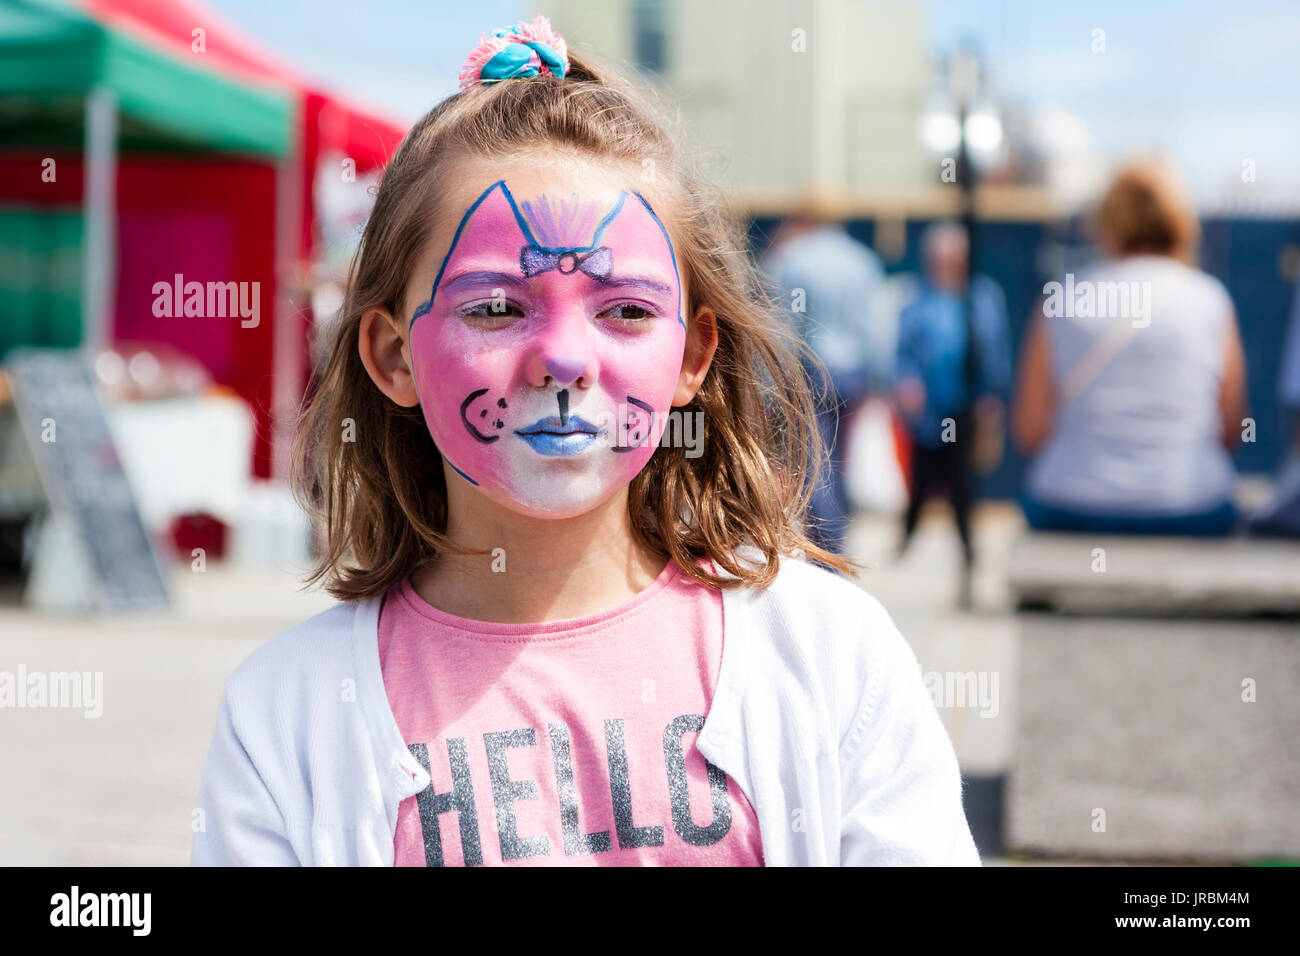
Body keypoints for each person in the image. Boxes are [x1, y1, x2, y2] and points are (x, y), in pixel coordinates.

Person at [189, 16, 978, 867]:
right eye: (494, 307)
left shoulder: (832, 662)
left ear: (693, 356)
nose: (564, 358)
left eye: (627, 311)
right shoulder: (286, 717)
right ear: (391, 355)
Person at [1013, 158, 1247, 535]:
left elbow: (1029, 431)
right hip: (1190, 505)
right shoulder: (1211, 300)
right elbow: (1232, 430)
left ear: (1106, 223)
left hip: (1070, 505)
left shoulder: (1062, 298)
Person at [893, 222, 1012, 605]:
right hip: (929, 414)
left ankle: (969, 561)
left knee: (963, 488)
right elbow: (903, 354)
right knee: (921, 481)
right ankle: (904, 544)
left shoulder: (982, 298)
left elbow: (996, 349)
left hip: (967, 411)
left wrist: (992, 395)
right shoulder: (917, 301)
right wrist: (906, 383)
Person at [761, 208, 888, 556]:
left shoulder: (793, 259)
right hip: (855, 372)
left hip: (812, 371)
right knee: (843, 459)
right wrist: (880, 376)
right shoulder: (863, 261)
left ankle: (828, 549)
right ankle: (836, 540)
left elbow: (782, 326)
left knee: (817, 462)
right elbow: (876, 327)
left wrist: (773, 383)